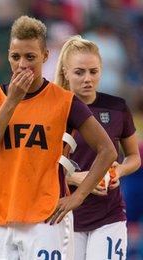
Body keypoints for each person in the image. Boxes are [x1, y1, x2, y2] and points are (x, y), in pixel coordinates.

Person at [0, 16, 117, 259]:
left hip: (46, 218)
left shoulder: (64, 101)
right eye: (16, 56)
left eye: (30, 57)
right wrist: (12, 101)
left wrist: (78, 196)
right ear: (8, 55)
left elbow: (107, 150)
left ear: (44, 56)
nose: (22, 64)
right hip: (1, 217)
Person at [54, 35, 141, 260]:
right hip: (66, 214)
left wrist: (119, 170)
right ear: (65, 72)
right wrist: (75, 178)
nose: (87, 79)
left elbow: (133, 157)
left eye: (93, 71)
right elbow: (38, 164)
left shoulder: (117, 107)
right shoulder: (54, 110)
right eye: (79, 72)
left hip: (109, 214)